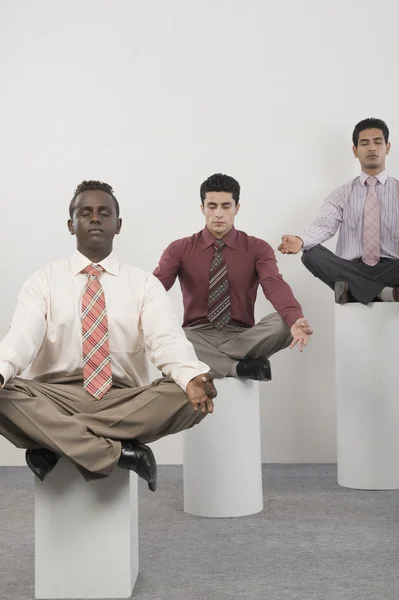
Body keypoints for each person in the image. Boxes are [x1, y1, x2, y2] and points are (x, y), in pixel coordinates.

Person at [0, 180, 216, 492]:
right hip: (54, 397)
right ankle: (118, 452)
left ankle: (52, 441)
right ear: (71, 225)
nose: (95, 218)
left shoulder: (143, 284)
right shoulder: (43, 281)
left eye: (104, 212)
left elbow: (166, 340)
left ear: (118, 224)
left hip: (122, 398)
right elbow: (21, 338)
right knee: (4, 392)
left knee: (190, 395)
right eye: (85, 212)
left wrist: (190, 376)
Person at [153, 173, 313, 381]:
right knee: (160, 334)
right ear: (202, 208)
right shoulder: (179, 249)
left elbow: (273, 284)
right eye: (212, 206)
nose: (218, 214)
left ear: (237, 208)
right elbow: (154, 289)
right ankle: (238, 368)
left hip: (243, 336)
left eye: (226, 206)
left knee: (285, 323)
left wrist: (295, 318)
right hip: (196, 335)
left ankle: (207, 362)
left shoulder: (257, 248)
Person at [278, 118, 399, 304]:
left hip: (392, 268)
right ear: (355, 151)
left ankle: (352, 290)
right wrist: (300, 241)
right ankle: (383, 293)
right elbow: (324, 226)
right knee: (311, 254)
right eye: (365, 143)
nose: (372, 148)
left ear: (388, 147)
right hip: (351, 267)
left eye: (378, 142)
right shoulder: (342, 193)